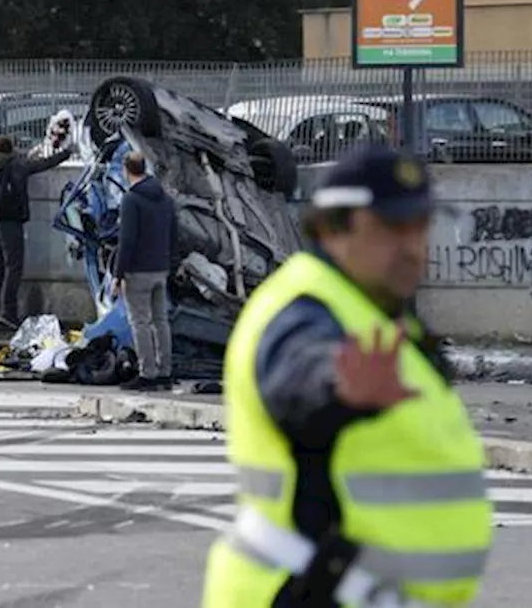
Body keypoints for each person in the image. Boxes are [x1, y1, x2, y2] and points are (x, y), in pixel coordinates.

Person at [201, 144, 493, 608]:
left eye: (420, 226)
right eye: (391, 228)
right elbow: (299, 373)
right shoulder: (303, 309)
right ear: (332, 229)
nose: (412, 246)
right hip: (309, 592)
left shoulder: (378, 314)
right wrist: (336, 389)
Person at [0, 131, 75, 329]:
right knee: (14, 268)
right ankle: (9, 313)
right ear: (10, 149)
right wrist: (66, 153)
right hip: (10, 223)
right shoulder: (15, 165)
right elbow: (41, 165)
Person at [111, 150, 178, 392]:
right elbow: (174, 234)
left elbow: (126, 240)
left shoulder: (131, 199)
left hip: (138, 271)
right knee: (161, 321)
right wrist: (170, 263)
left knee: (140, 321)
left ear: (126, 170)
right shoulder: (166, 198)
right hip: (161, 269)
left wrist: (118, 276)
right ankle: (164, 373)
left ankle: (147, 373)